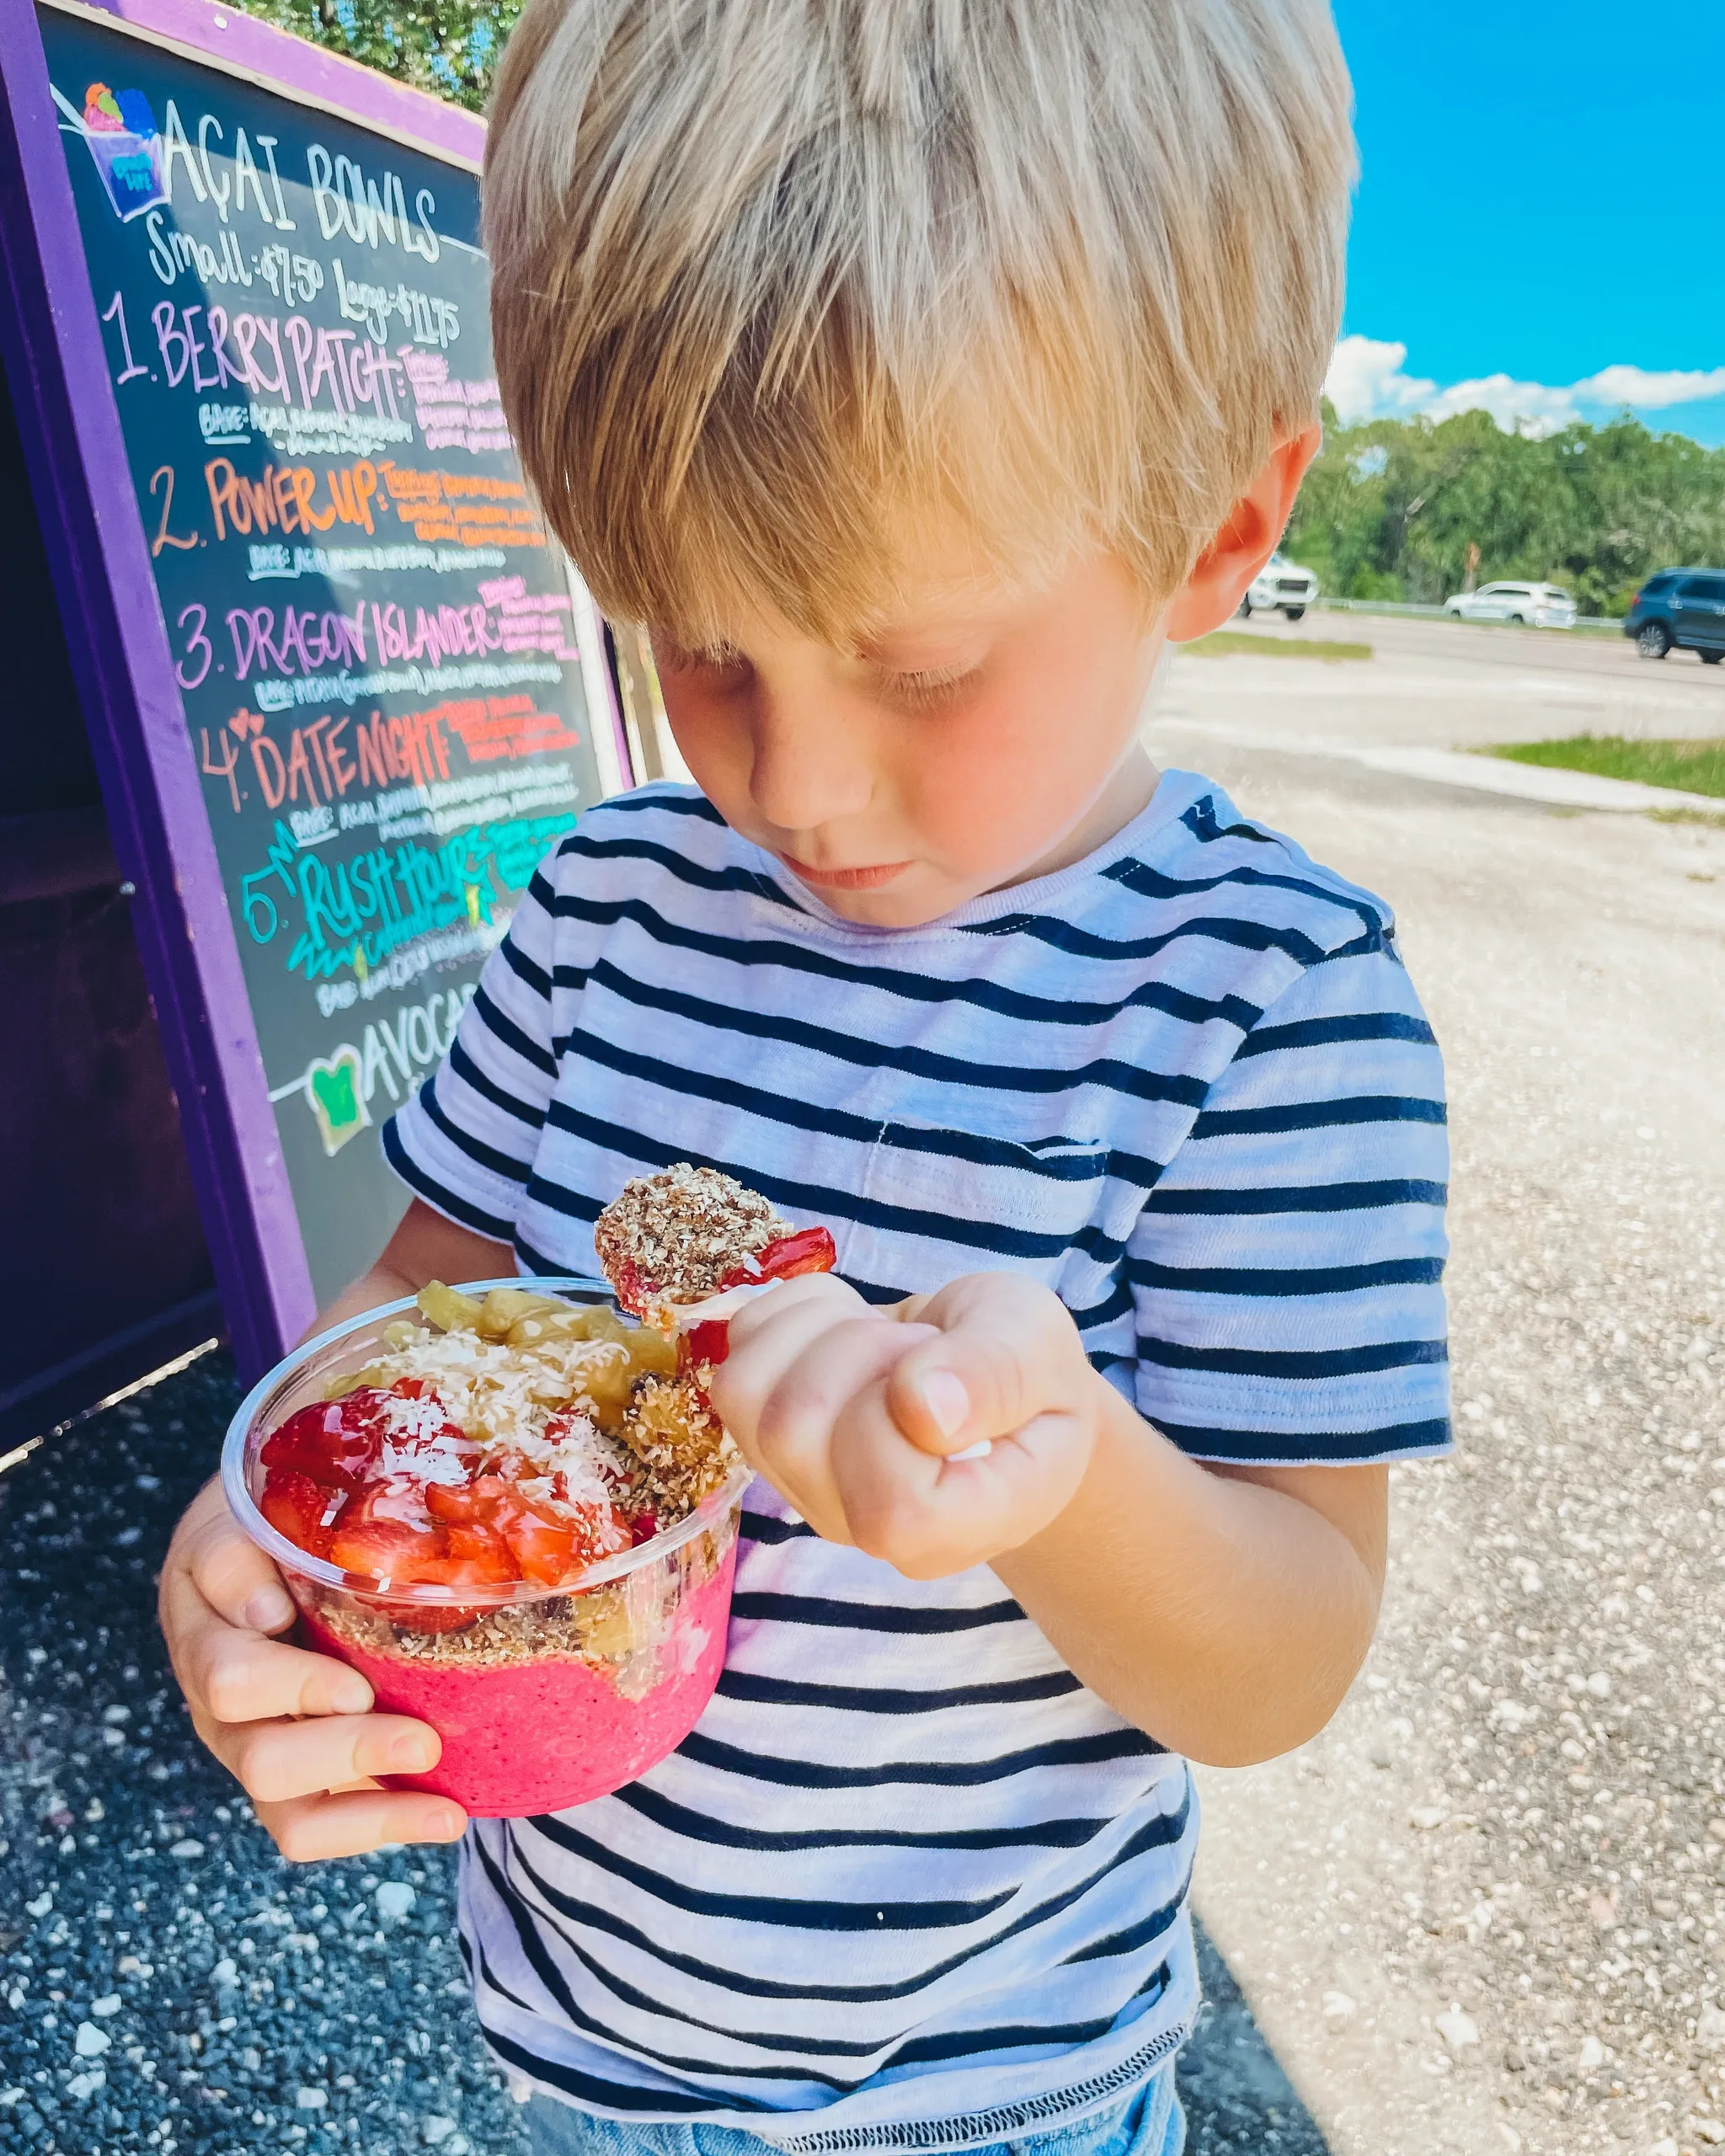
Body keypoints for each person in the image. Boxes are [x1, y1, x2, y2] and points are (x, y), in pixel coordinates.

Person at [160, 4, 1450, 2152]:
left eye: (919, 663)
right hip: (564, 2028)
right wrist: (260, 1526)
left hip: (989, 2087)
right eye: (697, 640)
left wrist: (1062, 1482)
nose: (793, 781)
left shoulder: (1264, 998)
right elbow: (414, 1288)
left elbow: (1281, 1655)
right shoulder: (599, 905)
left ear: (1222, 532)